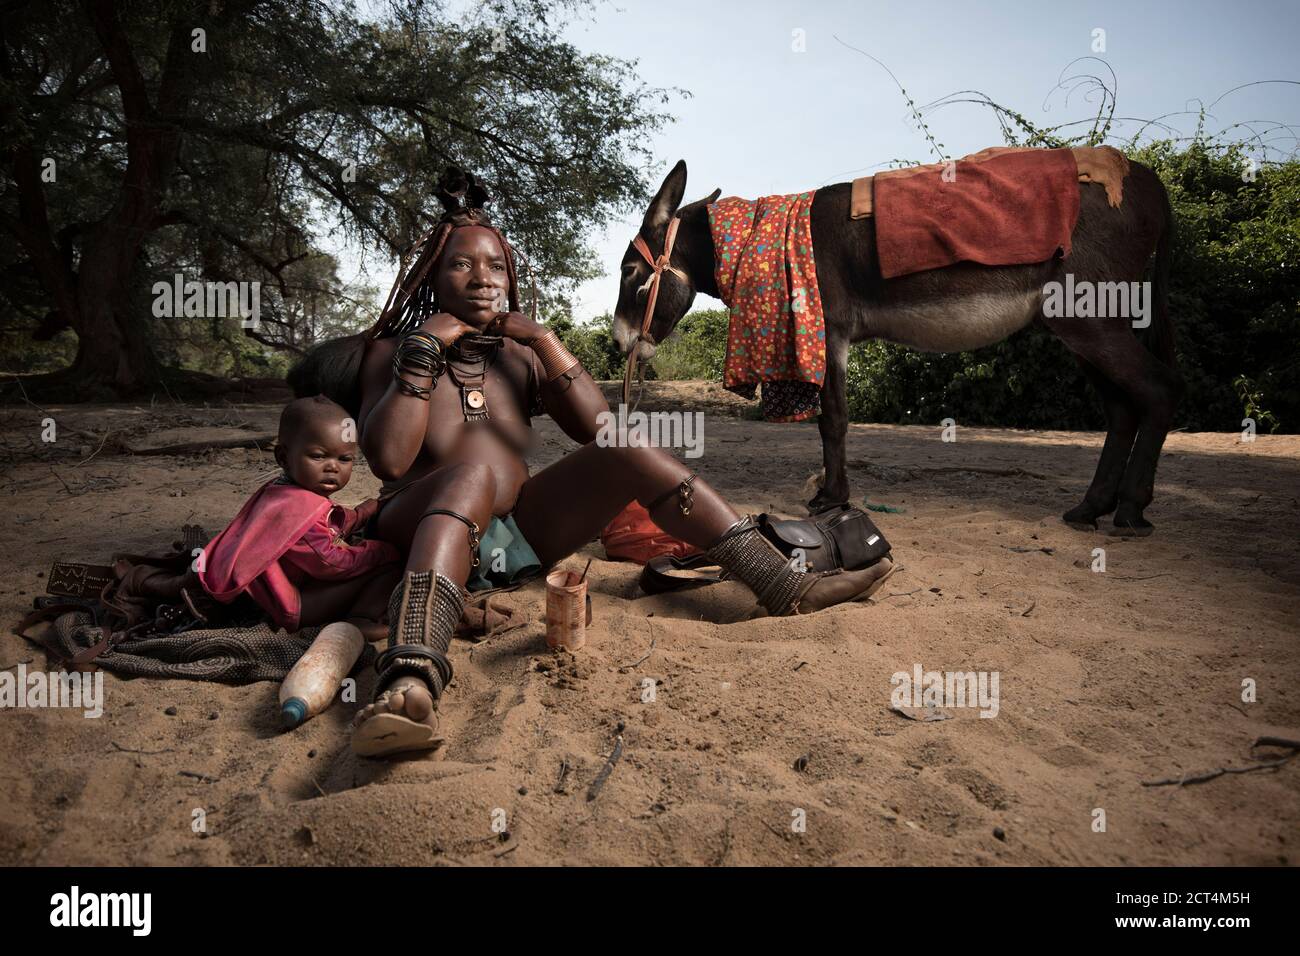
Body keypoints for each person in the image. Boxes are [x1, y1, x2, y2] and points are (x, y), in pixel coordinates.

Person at [305, 169, 893, 757]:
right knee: (469, 474)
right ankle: (412, 676)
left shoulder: (520, 354)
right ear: (433, 274)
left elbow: (599, 431)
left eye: (497, 267)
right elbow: (387, 459)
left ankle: (781, 584)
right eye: (462, 265)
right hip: (420, 539)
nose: (484, 280)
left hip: (513, 549)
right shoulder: (389, 351)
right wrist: (422, 354)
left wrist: (544, 343)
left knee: (627, 444)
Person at [194, 396, 402, 636]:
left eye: (344, 459)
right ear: (283, 457)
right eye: (318, 456)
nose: (333, 467)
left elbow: (329, 523)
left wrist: (361, 513)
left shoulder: (281, 491)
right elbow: (332, 563)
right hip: (292, 606)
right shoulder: (302, 509)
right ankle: (360, 619)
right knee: (387, 568)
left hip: (274, 591)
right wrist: (381, 550)